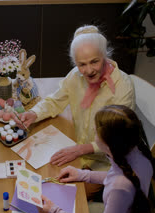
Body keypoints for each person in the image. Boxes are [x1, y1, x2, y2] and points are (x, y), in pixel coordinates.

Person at [38, 105, 155, 213]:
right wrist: (83, 175)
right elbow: (118, 178)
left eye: (95, 132)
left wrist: (54, 211)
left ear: (109, 145)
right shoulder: (136, 150)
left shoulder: (120, 187)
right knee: (74, 212)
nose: (94, 133)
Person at [14, 25, 135, 171]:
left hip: (106, 161)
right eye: (82, 64)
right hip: (74, 146)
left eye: (94, 61)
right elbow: (55, 101)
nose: (89, 70)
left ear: (105, 55)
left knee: (62, 186)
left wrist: (81, 150)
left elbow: (119, 137)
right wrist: (34, 113)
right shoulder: (75, 75)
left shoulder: (123, 86)